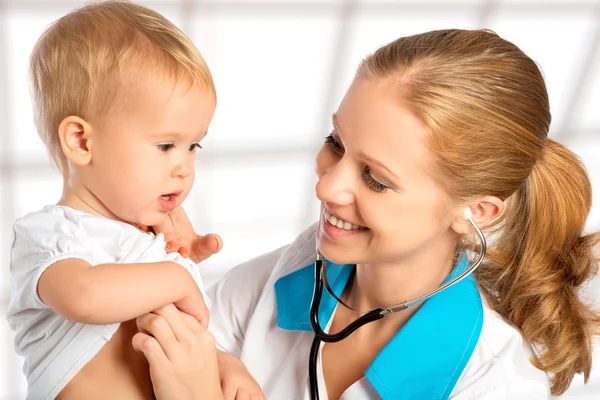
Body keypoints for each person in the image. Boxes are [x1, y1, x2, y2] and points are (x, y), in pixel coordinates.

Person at [149, 29, 600, 399]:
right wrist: (147, 247)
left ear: (475, 211)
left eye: (376, 179)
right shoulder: (303, 266)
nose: (326, 185)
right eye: (336, 144)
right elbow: (151, 346)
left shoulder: (497, 384)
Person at [6, 2, 259, 399]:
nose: (184, 167)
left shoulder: (159, 248)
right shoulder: (51, 234)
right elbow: (84, 296)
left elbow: (184, 346)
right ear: (81, 141)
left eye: (193, 145)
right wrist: (175, 278)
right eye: (165, 145)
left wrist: (225, 365)